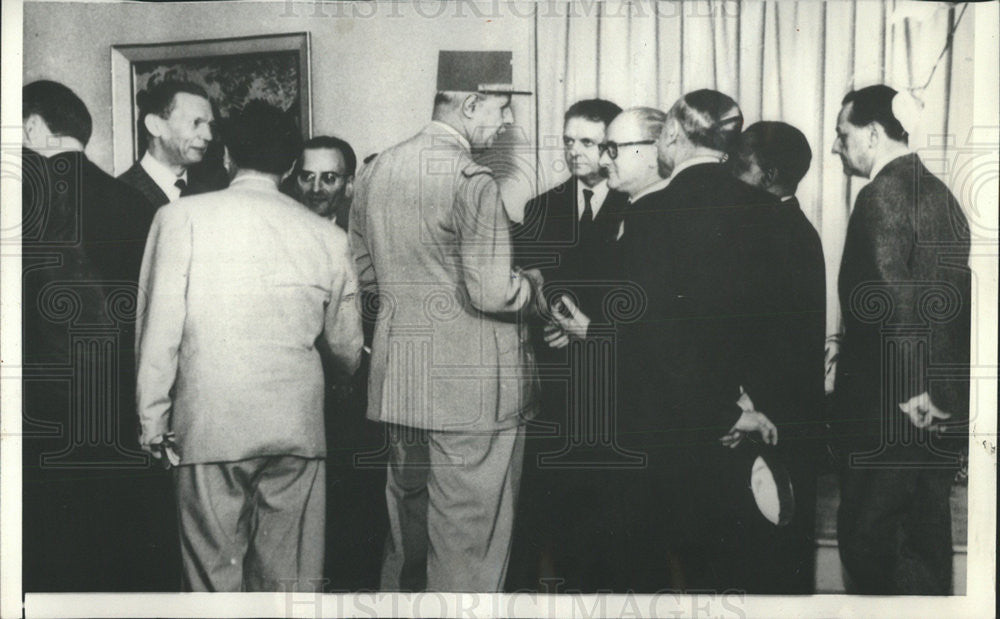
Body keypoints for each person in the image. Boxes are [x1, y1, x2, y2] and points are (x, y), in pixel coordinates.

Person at [553, 91, 781, 592]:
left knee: (660, 570)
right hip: (710, 420)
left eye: (613, 148)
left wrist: (590, 331)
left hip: (665, 435)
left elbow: (662, 343)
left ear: (661, 144)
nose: (600, 160)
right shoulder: (750, 209)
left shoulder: (656, 217)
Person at [135, 100, 363, 592]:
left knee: (212, 576)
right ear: (288, 167)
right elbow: (347, 348)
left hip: (209, 423)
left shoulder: (181, 218)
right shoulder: (326, 235)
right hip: (296, 428)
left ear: (228, 158)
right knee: (291, 580)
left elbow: (159, 329)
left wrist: (152, 419)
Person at [350, 50, 543, 592]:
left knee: (407, 539)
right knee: (468, 546)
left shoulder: (376, 168)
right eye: (502, 109)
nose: (507, 123)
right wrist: (532, 284)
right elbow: (492, 292)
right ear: (471, 104)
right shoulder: (472, 179)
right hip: (472, 393)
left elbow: (364, 274)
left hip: (401, 384)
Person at [831, 85, 970, 595]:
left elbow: (894, 298)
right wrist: (939, 392)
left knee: (870, 540)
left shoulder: (881, 194)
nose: (836, 147)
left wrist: (913, 389)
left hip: (894, 409)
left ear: (871, 133)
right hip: (935, 408)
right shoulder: (940, 193)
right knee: (924, 541)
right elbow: (949, 304)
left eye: (842, 135)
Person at [507, 98, 632, 592]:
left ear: (612, 146)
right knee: (550, 519)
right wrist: (547, 317)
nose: (574, 152)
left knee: (607, 530)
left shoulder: (638, 205)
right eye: (568, 141)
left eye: (588, 142)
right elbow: (528, 284)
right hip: (555, 386)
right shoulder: (541, 208)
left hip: (614, 388)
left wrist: (589, 325)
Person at [729, 120, 827, 593]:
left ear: (767, 174)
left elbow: (771, 343)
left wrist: (743, 403)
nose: (728, 172)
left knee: (764, 562)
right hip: (785, 417)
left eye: (738, 164)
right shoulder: (795, 229)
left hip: (769, 421)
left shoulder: (770, 232)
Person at [118, 80, 224, 209]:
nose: (208, 136)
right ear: (155, 126)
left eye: (210, 126)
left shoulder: (213, 191)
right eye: (196, 123)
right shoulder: (118, 196)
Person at [281, 135, 357, 229]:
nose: (315, 188)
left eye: (329, 178)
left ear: (349, 186)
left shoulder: (354, 240)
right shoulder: (281, 232)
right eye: (307, 177)